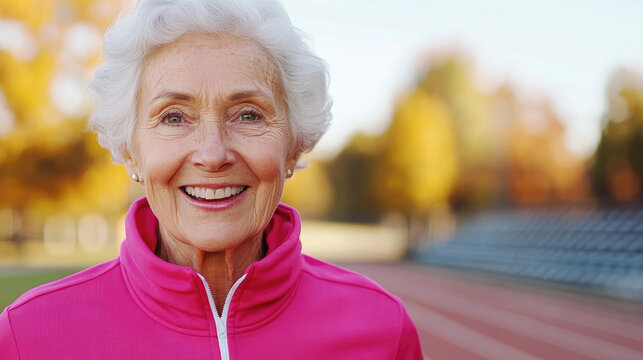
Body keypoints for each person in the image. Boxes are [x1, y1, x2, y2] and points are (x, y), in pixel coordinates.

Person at [0, 0, 422, 358]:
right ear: (131, 151)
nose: (213, 153)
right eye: (174, 117)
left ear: (294, 145)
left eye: (249, 114)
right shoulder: (27, 336)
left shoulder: (383, 329)